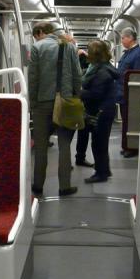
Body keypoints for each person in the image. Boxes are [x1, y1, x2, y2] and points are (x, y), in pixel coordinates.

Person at [29, 21, 82, 196]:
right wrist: (76, 97)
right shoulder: (69, 47)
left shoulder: (37, 47)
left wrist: (32, 103)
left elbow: (33, 78)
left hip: (42, 102)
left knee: (41, 146)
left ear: (42, 32)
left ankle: (38, 185)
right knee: (65, 144)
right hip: (65, 101)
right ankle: (64, 186)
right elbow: (77, 75)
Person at [81, 40, 118, 183]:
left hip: (101, 111)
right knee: (100, 142)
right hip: (104, 109)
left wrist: (79, 93)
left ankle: (100, 174)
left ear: (94, 54)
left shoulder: (102, 72)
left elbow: (96, 94)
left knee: (98, 144)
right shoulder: (102, 68)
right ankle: (104, 170)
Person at [115, 27, 140, 158]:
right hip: (123, 94)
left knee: (131, 121)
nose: (122, 41)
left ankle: (133, 147)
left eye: (123, 38)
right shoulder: (127, 53)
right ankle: (127, 145)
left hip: (131, 96)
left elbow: (138, 78)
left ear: (130, 38)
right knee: (126, 122)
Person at [75, 47, 94, 168]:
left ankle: (80, 157)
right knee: (83, 131)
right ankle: (80, 157)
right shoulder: (92, 66)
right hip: (84, 101)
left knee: (84, 131)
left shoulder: (95, 66)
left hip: (86, 100)